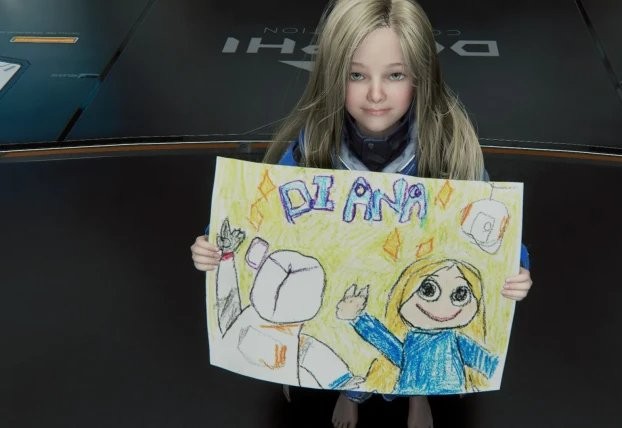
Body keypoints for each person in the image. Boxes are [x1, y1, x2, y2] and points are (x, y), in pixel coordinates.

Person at [190, 1, 533, 427]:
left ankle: (418, 396)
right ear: (333, 75)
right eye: (356, 75)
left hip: (412, 278)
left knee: (421, 334)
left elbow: (496, 230)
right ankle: (348, 393)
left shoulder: (450, 147)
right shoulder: (315, 141)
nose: (375, 93)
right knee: (347, 328)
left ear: (420, 76)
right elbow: (255, 211)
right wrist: (214, 243)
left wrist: (516, 268)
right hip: (349, 280)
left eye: (395, 75)